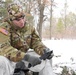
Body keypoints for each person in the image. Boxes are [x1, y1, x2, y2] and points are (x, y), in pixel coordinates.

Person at [0, 3, 54, 75]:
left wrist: (43, 50)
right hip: (10, 59)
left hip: (25, 58)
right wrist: (26, 57)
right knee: (1, 61)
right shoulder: (3, 28)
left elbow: (36, 42)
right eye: (17, 19)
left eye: (23, 17)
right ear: (11, 19)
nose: (22, 21)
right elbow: (4, 48)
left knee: (46, 60)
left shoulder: (29, 27)